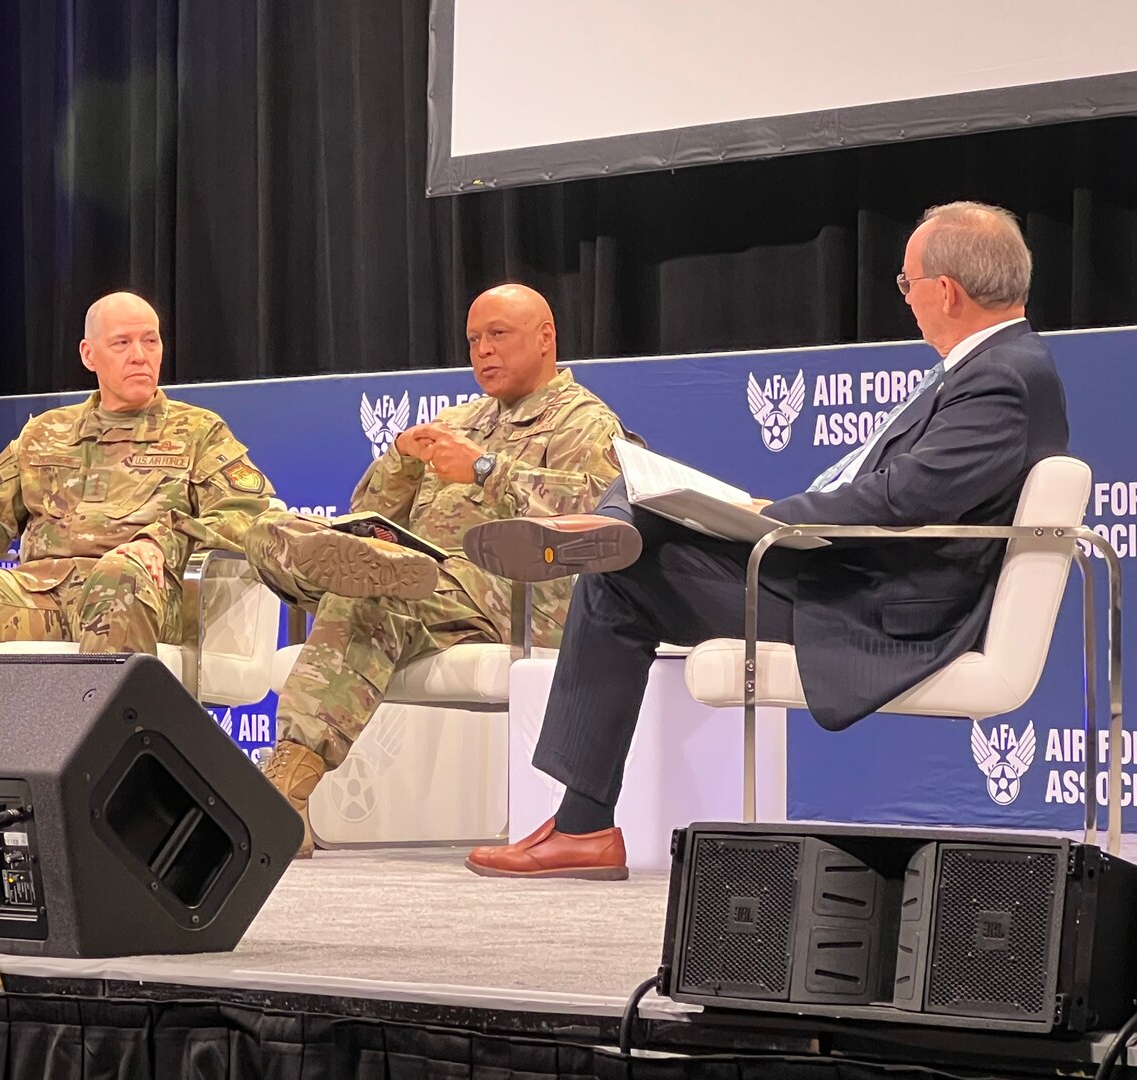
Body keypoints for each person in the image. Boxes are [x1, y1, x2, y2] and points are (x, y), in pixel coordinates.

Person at [461, 202, 1070, 879]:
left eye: (907, 285)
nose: (908, 301)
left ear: (947, 291)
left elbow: (904, 500)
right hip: (856, 582)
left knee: (617, 571)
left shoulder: (1001, 378)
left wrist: (774, 516)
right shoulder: (1003, 367)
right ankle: (606, 536)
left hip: (876, 610)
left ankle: (583, 824)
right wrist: (757, 515)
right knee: (634, 495)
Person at [246, 283, 628, 856]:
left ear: (545, 338)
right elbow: (369, 512)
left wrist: (484, 470)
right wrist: (401, 461)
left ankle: (285, 793)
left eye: (498, 334)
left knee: (378, 583)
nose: (483, 352)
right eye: (474, 339)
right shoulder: (458, 418)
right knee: (362, 577)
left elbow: (598, 522)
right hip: (428, 585)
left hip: (524, 593)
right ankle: (298, 565)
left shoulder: (586, 423)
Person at [0, 291, 275, 655]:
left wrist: (159, 541)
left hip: (140, 593)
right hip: (39, 596)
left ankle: (106, 736)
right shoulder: (45, 432)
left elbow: (248, 514)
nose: (140, 355)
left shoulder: (199, 431)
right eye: (122, 343)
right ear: (89, 354)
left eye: (150, 340)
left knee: (119, 579)